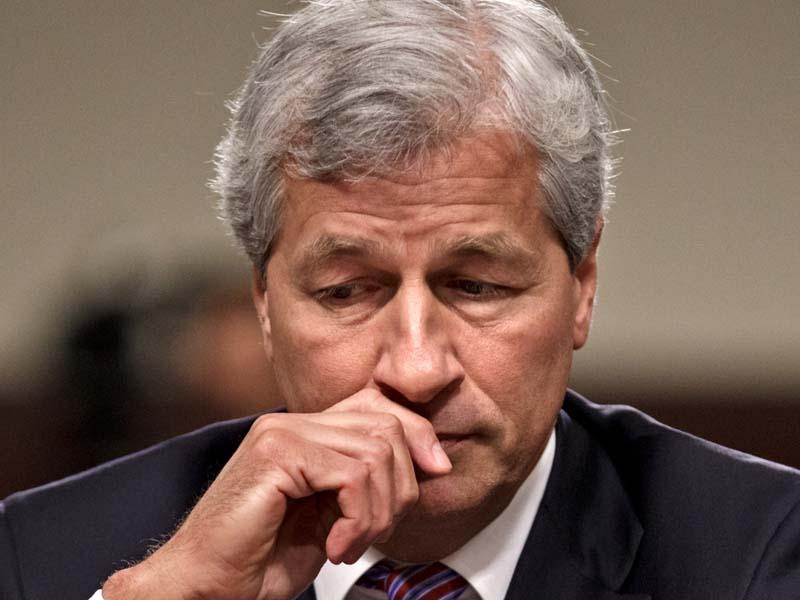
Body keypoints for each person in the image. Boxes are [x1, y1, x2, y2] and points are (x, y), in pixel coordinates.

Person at [2, 1, 799, 599]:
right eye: (347, 291)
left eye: (477, 286)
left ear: (582, 285)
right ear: (265, 304)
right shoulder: (40, 559)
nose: (416, 371)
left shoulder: (758, 556)